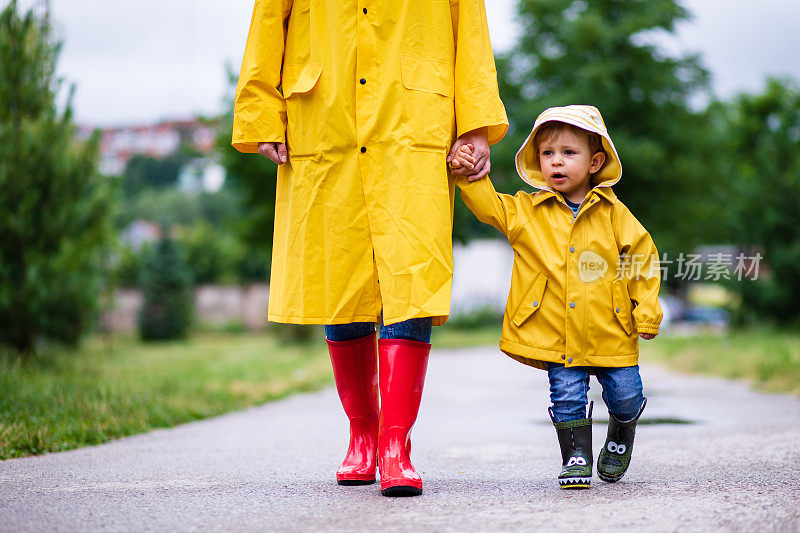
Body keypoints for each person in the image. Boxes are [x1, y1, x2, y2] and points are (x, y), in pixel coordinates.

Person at [231, 1, 508, 497]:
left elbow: (470, 28)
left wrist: (474, 125)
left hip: (412, 120)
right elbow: (268, 19)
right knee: (340, 276)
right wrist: (260, 113)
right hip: (325, 118)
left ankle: (395, 446)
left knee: (412, 277)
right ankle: (363, 434)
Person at [450, 105, 662, 489]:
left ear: (595, 161)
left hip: (611, 328)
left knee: (628, 394)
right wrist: (469, 176)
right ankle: (575, 456)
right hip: (555, 330)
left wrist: (646, 313)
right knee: (566, 394)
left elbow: (643, 262)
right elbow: (488, 207)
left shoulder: (615, 214)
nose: (556, 162)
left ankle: (620, 431)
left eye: (568, 153)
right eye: (547, 154)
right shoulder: (528, 211)